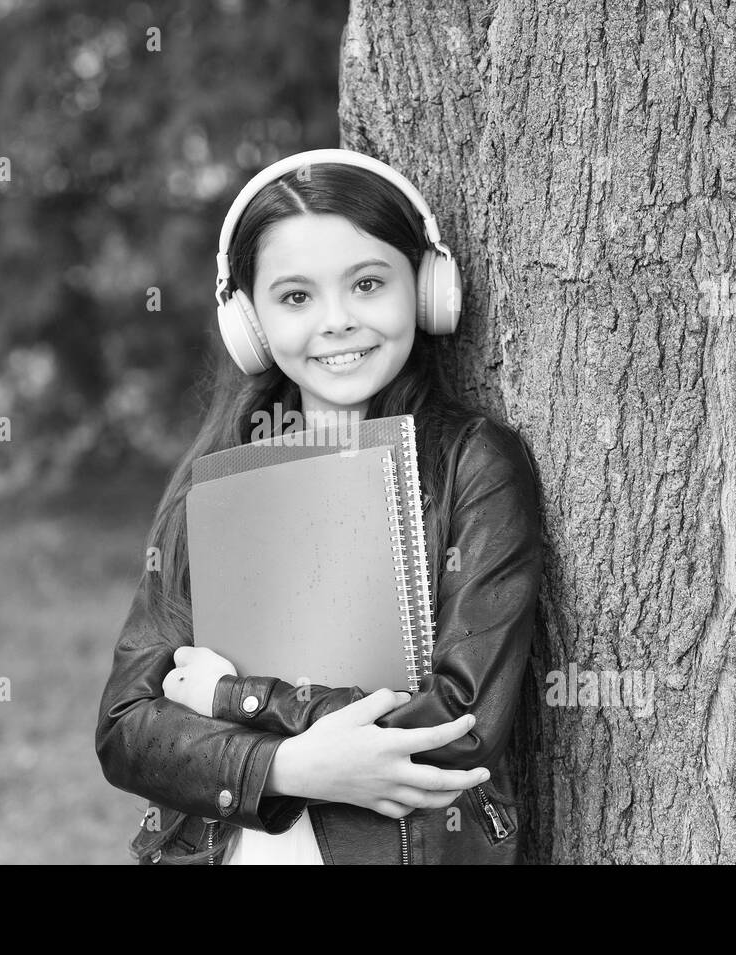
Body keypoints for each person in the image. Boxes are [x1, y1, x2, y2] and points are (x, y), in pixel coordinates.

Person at [95, 148, 544, 864]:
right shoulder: (215, 481)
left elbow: (455, 724)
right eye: (296, 297)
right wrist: (292, 767)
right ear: (250, 321)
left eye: (367, 283)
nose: (337, 321)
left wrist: (234, 699)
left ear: (427, 289)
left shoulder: (474, 462)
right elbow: (127, 727)